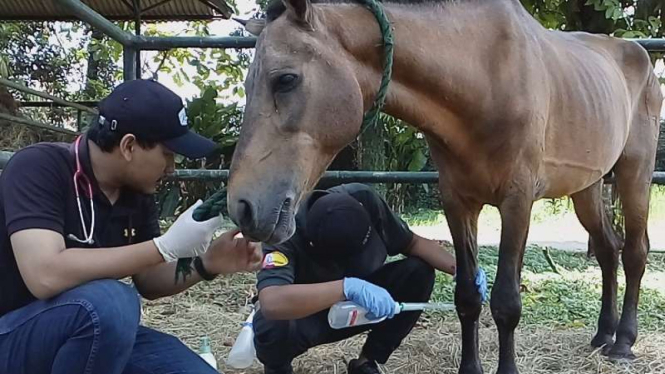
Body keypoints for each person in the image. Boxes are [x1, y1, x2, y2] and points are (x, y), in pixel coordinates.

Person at [0, 79, 263, 374]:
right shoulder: (39, 166)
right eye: (167, 154)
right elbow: (44, 274)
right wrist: (163, 247)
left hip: (88, 334)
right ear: (128, 146)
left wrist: (208, 262)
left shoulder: (136, 192)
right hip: (12, 333)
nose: (172, 167)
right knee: (113, 302)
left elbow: (149, 281)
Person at [253, 183, 488, 374]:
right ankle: (278, 368)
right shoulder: (284, 232)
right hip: (309, 315)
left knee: (418, 272)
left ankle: (367, 362)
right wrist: (345, 287)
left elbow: (413, 243)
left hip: (363, 306)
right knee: (271, 322)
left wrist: (462, 268)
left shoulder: (364, 198)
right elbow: (272, 301)